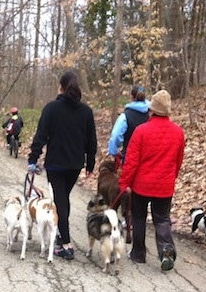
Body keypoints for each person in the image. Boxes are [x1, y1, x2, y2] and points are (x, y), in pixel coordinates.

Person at [27, 70, 97, 260]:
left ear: (61, 87)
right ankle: (60, 233)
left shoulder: (51, 109)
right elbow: (92, 140)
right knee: (62, 198)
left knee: (61, 200)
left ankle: (66, 244)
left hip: (56, 164)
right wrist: (90, 163)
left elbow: (41, 135)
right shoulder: (86, 112)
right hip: (75, 164)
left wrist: (33, 159)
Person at [118, 89, 185, 271]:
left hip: (141, 185)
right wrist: (172, 177)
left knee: (138, 217)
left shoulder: (141, 131)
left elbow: (131, 162)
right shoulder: (178, 132)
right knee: (162, 219)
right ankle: (165, 249)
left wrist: (125, 183)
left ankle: (138, 254)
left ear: (152, 110)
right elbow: (178, 161)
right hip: (165, 186)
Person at [107, 85, 149, 163]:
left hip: (130, 157)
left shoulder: (125, 116)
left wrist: (113, 151)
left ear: (131, 97)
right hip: (150, 156)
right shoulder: (152, 113)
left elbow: (115, 135)